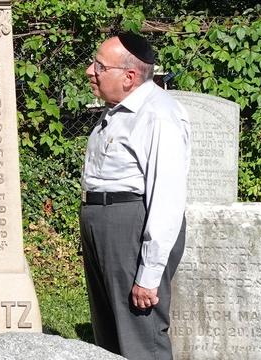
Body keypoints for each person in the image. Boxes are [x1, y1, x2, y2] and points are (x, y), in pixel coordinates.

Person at [79, 32, 190, 359]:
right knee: (110, 335)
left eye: (100, 66)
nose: (90, 71)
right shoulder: (117, 110)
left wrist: (149, 273)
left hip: (131, 228)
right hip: (107, 227)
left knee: (140, 339)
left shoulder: (158, 115)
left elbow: (167, 199)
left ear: (129, 77)